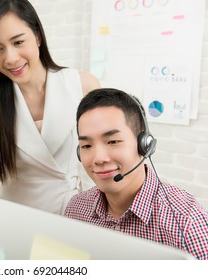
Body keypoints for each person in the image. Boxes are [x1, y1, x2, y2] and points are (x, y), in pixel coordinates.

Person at [0, 0, 100, 214]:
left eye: (18, 42)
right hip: (13, 223)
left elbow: (102, 161)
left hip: (70, 217)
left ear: (37, 36)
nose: (10, 58)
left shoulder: (83, 85)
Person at [64, 88, 208, 260]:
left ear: (144, 145)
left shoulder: (187, 223)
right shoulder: (76, 209)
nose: (99, 158)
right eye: (86, 146)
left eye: (113, 141)